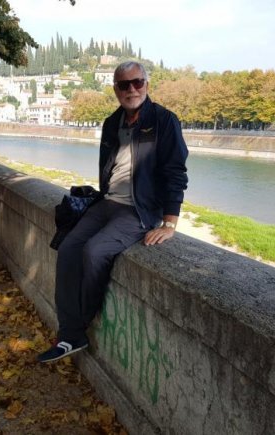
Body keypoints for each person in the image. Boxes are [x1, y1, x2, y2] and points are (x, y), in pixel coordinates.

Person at [37, 61, 189, 363]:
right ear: (116, 89)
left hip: (139, 210)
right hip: (107, 203)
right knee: (68, 248)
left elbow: (176, 172)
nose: (132, 89)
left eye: (137, 82)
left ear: (146, 84)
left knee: (95, 251)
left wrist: (169, 223)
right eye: (124, 85)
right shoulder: (111, 123)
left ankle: (77, 329)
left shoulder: (164, 121)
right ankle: (68, 332)